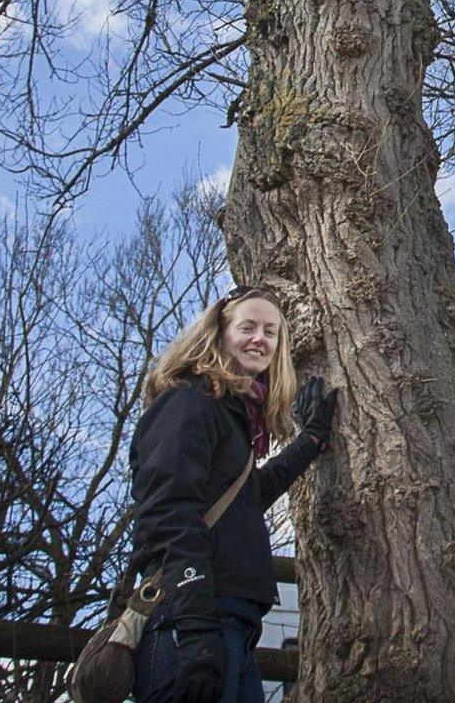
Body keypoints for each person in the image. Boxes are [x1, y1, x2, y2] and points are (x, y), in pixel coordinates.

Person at [129, 287, 337, 703]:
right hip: (191, 622)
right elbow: (168, 513)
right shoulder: (188, 402)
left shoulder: (233, 417)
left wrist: (311, 441)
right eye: (248, 327)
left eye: (271, 331)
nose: (260, 338)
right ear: (219, 332)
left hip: (234, 628)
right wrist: (196, 632)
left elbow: (244, 499)